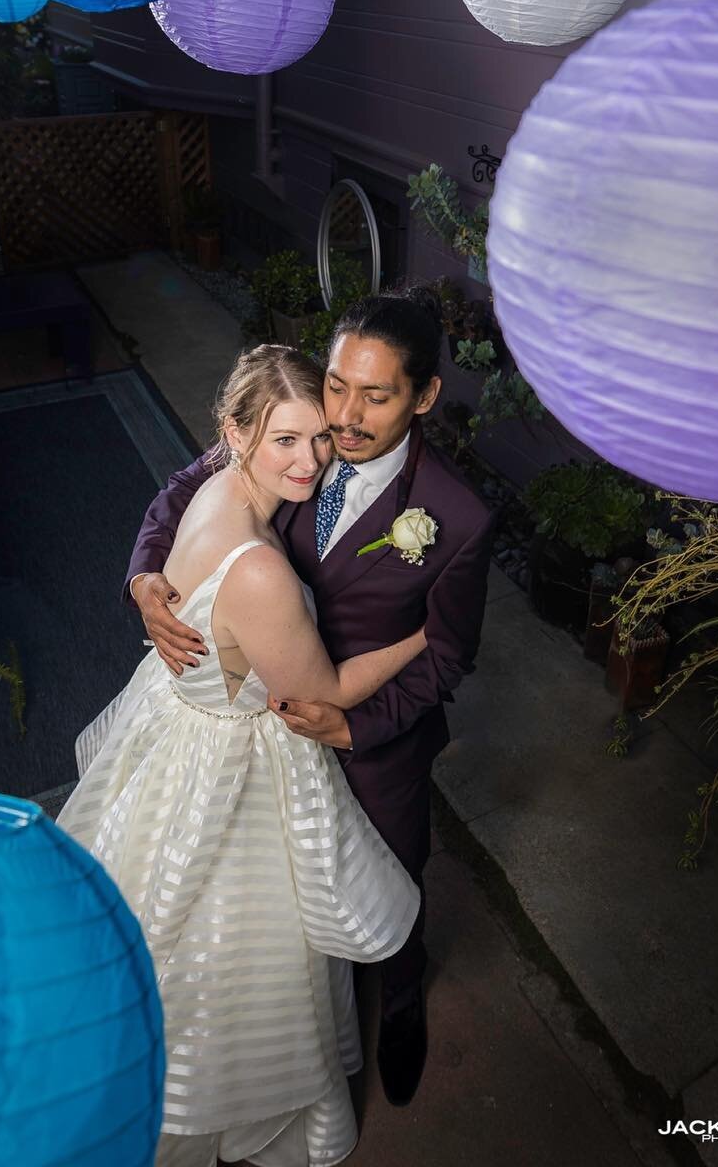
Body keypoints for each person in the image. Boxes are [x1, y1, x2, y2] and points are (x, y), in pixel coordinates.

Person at [128, 286, 496, 1110]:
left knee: (393, 883)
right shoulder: (294, 435)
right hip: (259, 742)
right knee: (279, 901)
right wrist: (147, 579)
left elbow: (448, 656)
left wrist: (358, 724)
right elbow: (180, 494)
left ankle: (402, 1004)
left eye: (377, 395)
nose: (348, 417)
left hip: (373, 751)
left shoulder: (459, 520)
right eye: (337, 385)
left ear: (425, 395)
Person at [57, 344, 422, 1167]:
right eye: (286, 441)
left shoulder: (222, 489)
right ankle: (217, 1102)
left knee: (159, 925)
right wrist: (428, 636)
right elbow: (322, 688)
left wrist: (155, 581)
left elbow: (183, 519)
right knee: (234, 957)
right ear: (235, 431)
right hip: (233, 755)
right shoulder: (255, 566)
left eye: (320, 437)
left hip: (178, 721)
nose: (313, 460)